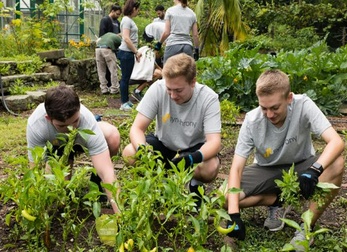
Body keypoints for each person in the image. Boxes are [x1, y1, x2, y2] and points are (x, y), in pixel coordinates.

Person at [225, 69, 345, 250]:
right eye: (264, 108)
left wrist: (314, 170)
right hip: (266, 169)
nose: (269, 115)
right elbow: (236, 169)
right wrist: (234, 215)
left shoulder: (303, 105)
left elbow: (336, 142)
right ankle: (278, 201)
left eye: (275, 108)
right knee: (226, 197)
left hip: (302, 167)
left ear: (289, 98)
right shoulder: (252, 121)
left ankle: (306, 229)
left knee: (337, 163)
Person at [122, 53, 221, 207]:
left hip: (192, 149)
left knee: (210, 167)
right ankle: (158, 182)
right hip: (164, 145)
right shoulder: (157, 88)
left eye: (179, 90)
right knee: (130, 153)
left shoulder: (208, 98)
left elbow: (214, 142)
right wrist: (145, 151)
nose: (173, 95)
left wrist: (191, 159)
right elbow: (137, 128)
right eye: (169, 89)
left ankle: (195, 184)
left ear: (193, 82)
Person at [26, 85, 121, 214]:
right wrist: (36, 210)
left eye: (75, 121)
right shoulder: (36, 125)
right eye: (63, 125)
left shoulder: (86, 120)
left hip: (80, 141)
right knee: (60, 192)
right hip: (55, 146)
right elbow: (36, 171)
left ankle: (96, 183)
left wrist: (121, 214)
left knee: (112, 136)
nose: (71, 128)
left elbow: (107, 171)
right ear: (49, 119)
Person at [117, 0, 141, 111]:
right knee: (125, 79)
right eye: (138, 9)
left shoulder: (128, 20)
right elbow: (126, 38)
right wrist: (136, 51)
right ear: (133, 8)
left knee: (127, 78)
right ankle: (123, 103)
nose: (138, 11)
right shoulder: (126, 20)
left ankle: (126, 100)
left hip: (129, 52)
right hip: (126, 52)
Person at [98, 4, 122, 92]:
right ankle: (110, 87)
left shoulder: (118, 23)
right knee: (107, 69)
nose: (118, 16)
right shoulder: (105, 20)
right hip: (106, 46)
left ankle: (109, 86)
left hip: (113, 47)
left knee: (111, 68)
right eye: (117, 14)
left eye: (119, 14)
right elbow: (102, 34)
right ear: (112, 11)